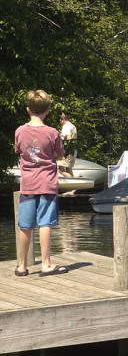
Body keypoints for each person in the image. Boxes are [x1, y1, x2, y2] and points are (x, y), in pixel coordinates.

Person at [14, 90, 68, 277]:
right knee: (45, 222)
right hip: (47, 183)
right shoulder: (52, 132)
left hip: (28, 184)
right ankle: (46, 264)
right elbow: (59, 155)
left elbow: (19, 150)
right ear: (48, 111)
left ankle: (21, 265)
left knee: (25, 225)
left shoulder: (20, 131)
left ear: (28, 110)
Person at [57, 112, 77, 177]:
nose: (60, 122)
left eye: (60, 120)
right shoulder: (72, 126)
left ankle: (71, 181)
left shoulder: (66, 126)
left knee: (61, 170)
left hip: (67, 150)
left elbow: (68, 137)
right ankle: (73, 185)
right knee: (69, 169)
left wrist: (67, 150)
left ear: (62, 119)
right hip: (73, 150)